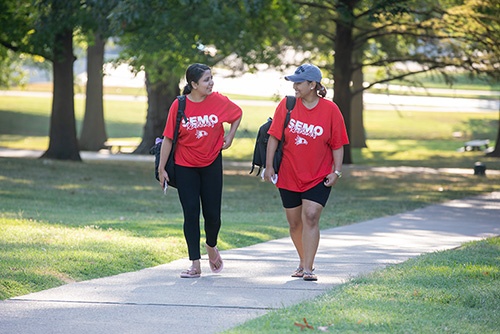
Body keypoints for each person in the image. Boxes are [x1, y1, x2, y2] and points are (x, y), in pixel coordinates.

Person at [264, 64, 349, 281]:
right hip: (288, 173)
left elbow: (337, 144)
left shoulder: (331, 110)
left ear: (313, 85)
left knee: (310, 217)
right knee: (295, 223)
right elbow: (274, 136)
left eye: (299, 83)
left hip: (318, 176)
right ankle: (303, 262)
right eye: (294, 82)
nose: (295, 86)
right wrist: (269, 166)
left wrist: (336, 172)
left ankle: (309, 268)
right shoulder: (288, 105)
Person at [158, 63, 242, 278]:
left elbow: (237, 114)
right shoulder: (180, 105)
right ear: (193, 84)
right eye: (206, 80)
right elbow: (168, 138)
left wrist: (230, 136)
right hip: (186, 166)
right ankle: (195, 264)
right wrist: (161, 169)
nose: (211, 82)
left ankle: (211, 245)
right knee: (191, 212)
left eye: (211, 78)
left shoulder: (218, 100)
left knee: (213, 215)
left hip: (212, 163)